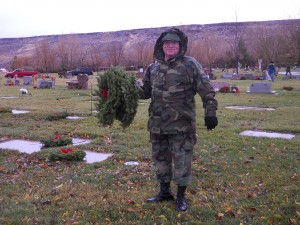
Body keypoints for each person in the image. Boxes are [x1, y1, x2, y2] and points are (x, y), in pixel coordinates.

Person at [136, 28, 218, 212]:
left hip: (182, 125)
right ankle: (164, 192)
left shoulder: (189, 65)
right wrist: (125, 88)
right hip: (157, 125)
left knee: (182, 161)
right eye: (167, 43)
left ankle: (180, 197)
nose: (171, 46)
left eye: (174, 43)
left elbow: (206, 88)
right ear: (161, 45)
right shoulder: (153, 67)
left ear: (180, 46)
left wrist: (210, 112)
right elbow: (145, 92)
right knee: (160, 160)